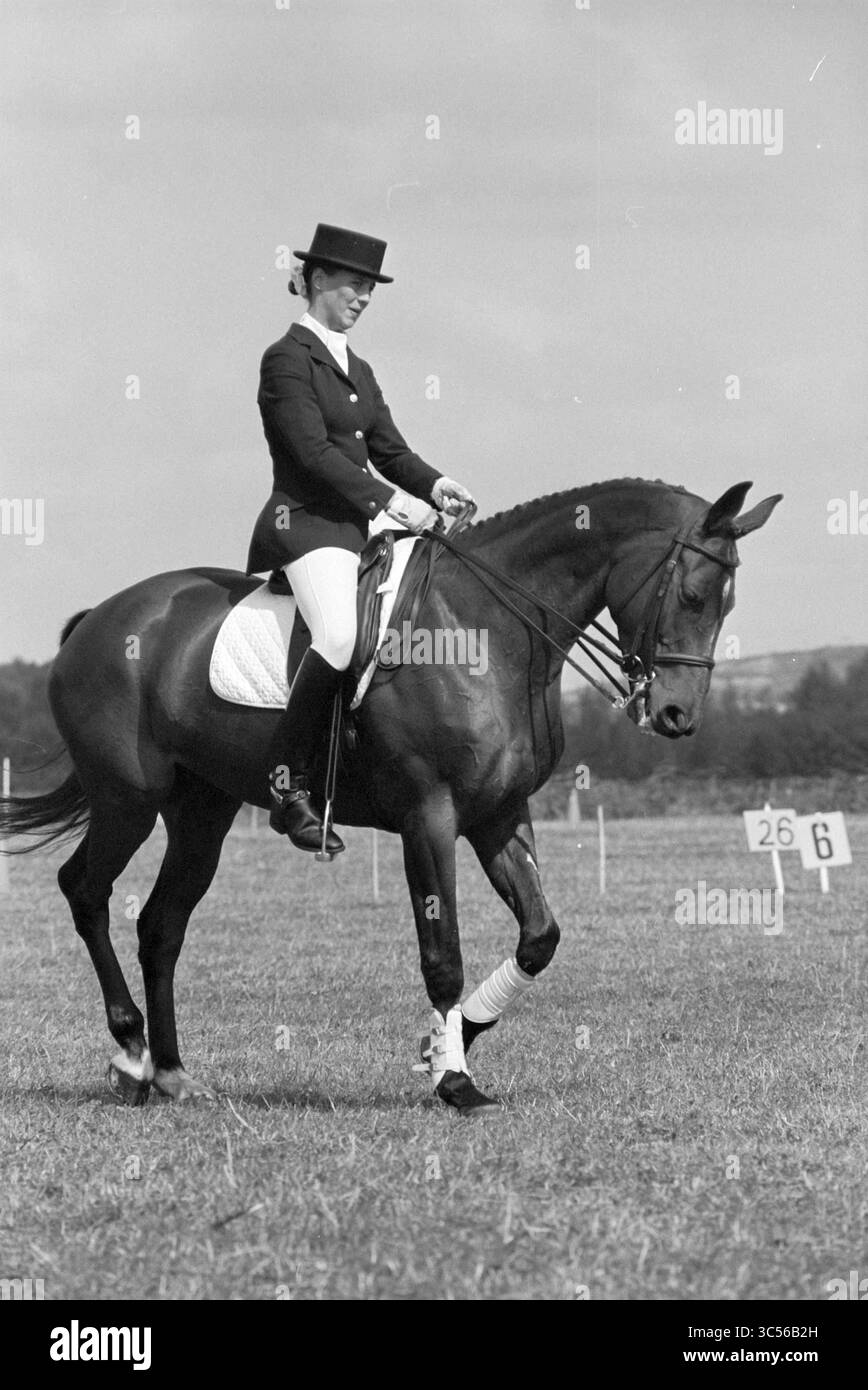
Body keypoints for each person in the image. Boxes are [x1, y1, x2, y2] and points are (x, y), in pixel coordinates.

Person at [246, 223, 475, 855]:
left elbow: (389, 449)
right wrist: (391, 502)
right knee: (339, 636)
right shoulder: (286, 359)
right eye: (355, 284)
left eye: (371, 289)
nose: (364, 297)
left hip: (360, 529)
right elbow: (314, 454)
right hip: (307, 527)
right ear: (317, 279)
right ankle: (287, 786)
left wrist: (436, 486)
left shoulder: (359, 368)